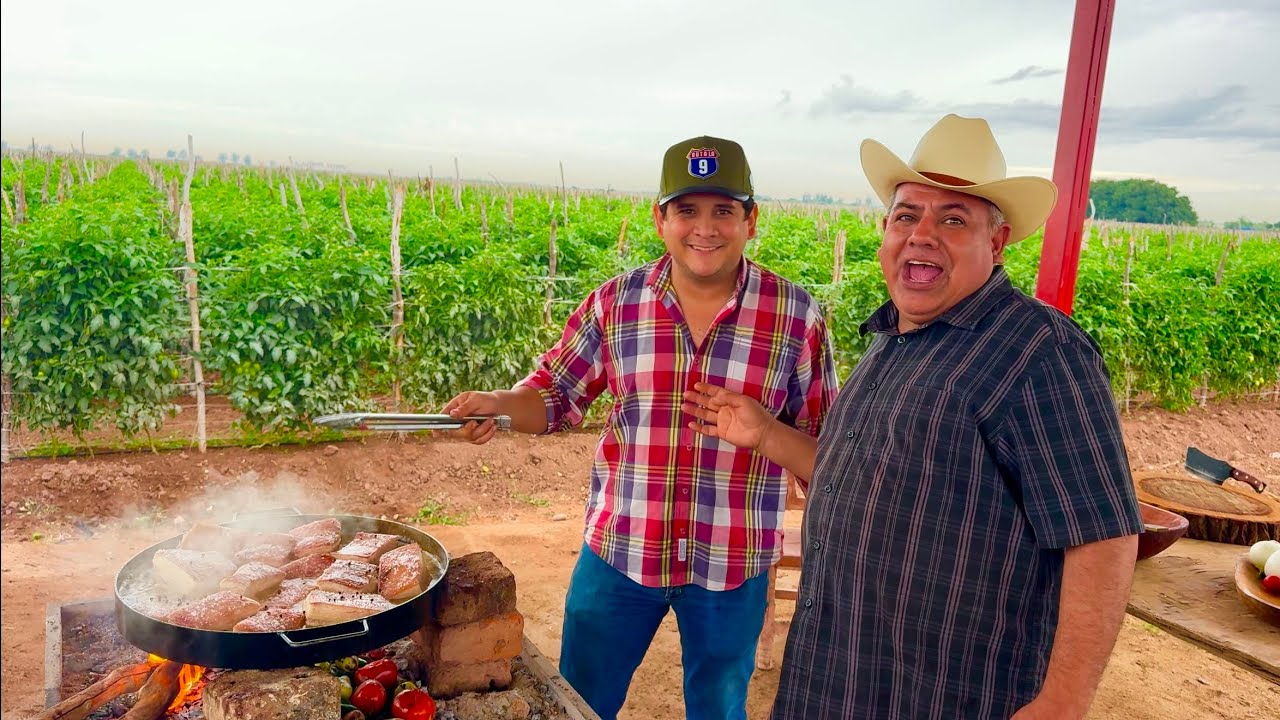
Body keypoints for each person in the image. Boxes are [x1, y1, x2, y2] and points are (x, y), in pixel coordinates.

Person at [682, 114, 1143, 720]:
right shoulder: (891, 341)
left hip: (944, 694)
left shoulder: (1037, 351)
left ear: (997, 242)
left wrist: (1060, 704)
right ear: (885, 230)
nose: (923, 234)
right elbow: (856, 481)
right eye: (908, 215)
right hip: (836, 677)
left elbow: (1103, 537)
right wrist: (766, 432)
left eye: (954, 219)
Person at [443, 135, 839, 720]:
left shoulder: (796, 316)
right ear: (660, 220)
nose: (704, 228)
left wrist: (768, 432)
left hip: (733, 561)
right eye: (687, 210)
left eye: (723, 211)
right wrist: (499, 404)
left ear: (751, 221)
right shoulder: (616, 304)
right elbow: (553, 396)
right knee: (580, 701)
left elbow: (828, 454)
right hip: (621, 552)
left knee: (719, 705)